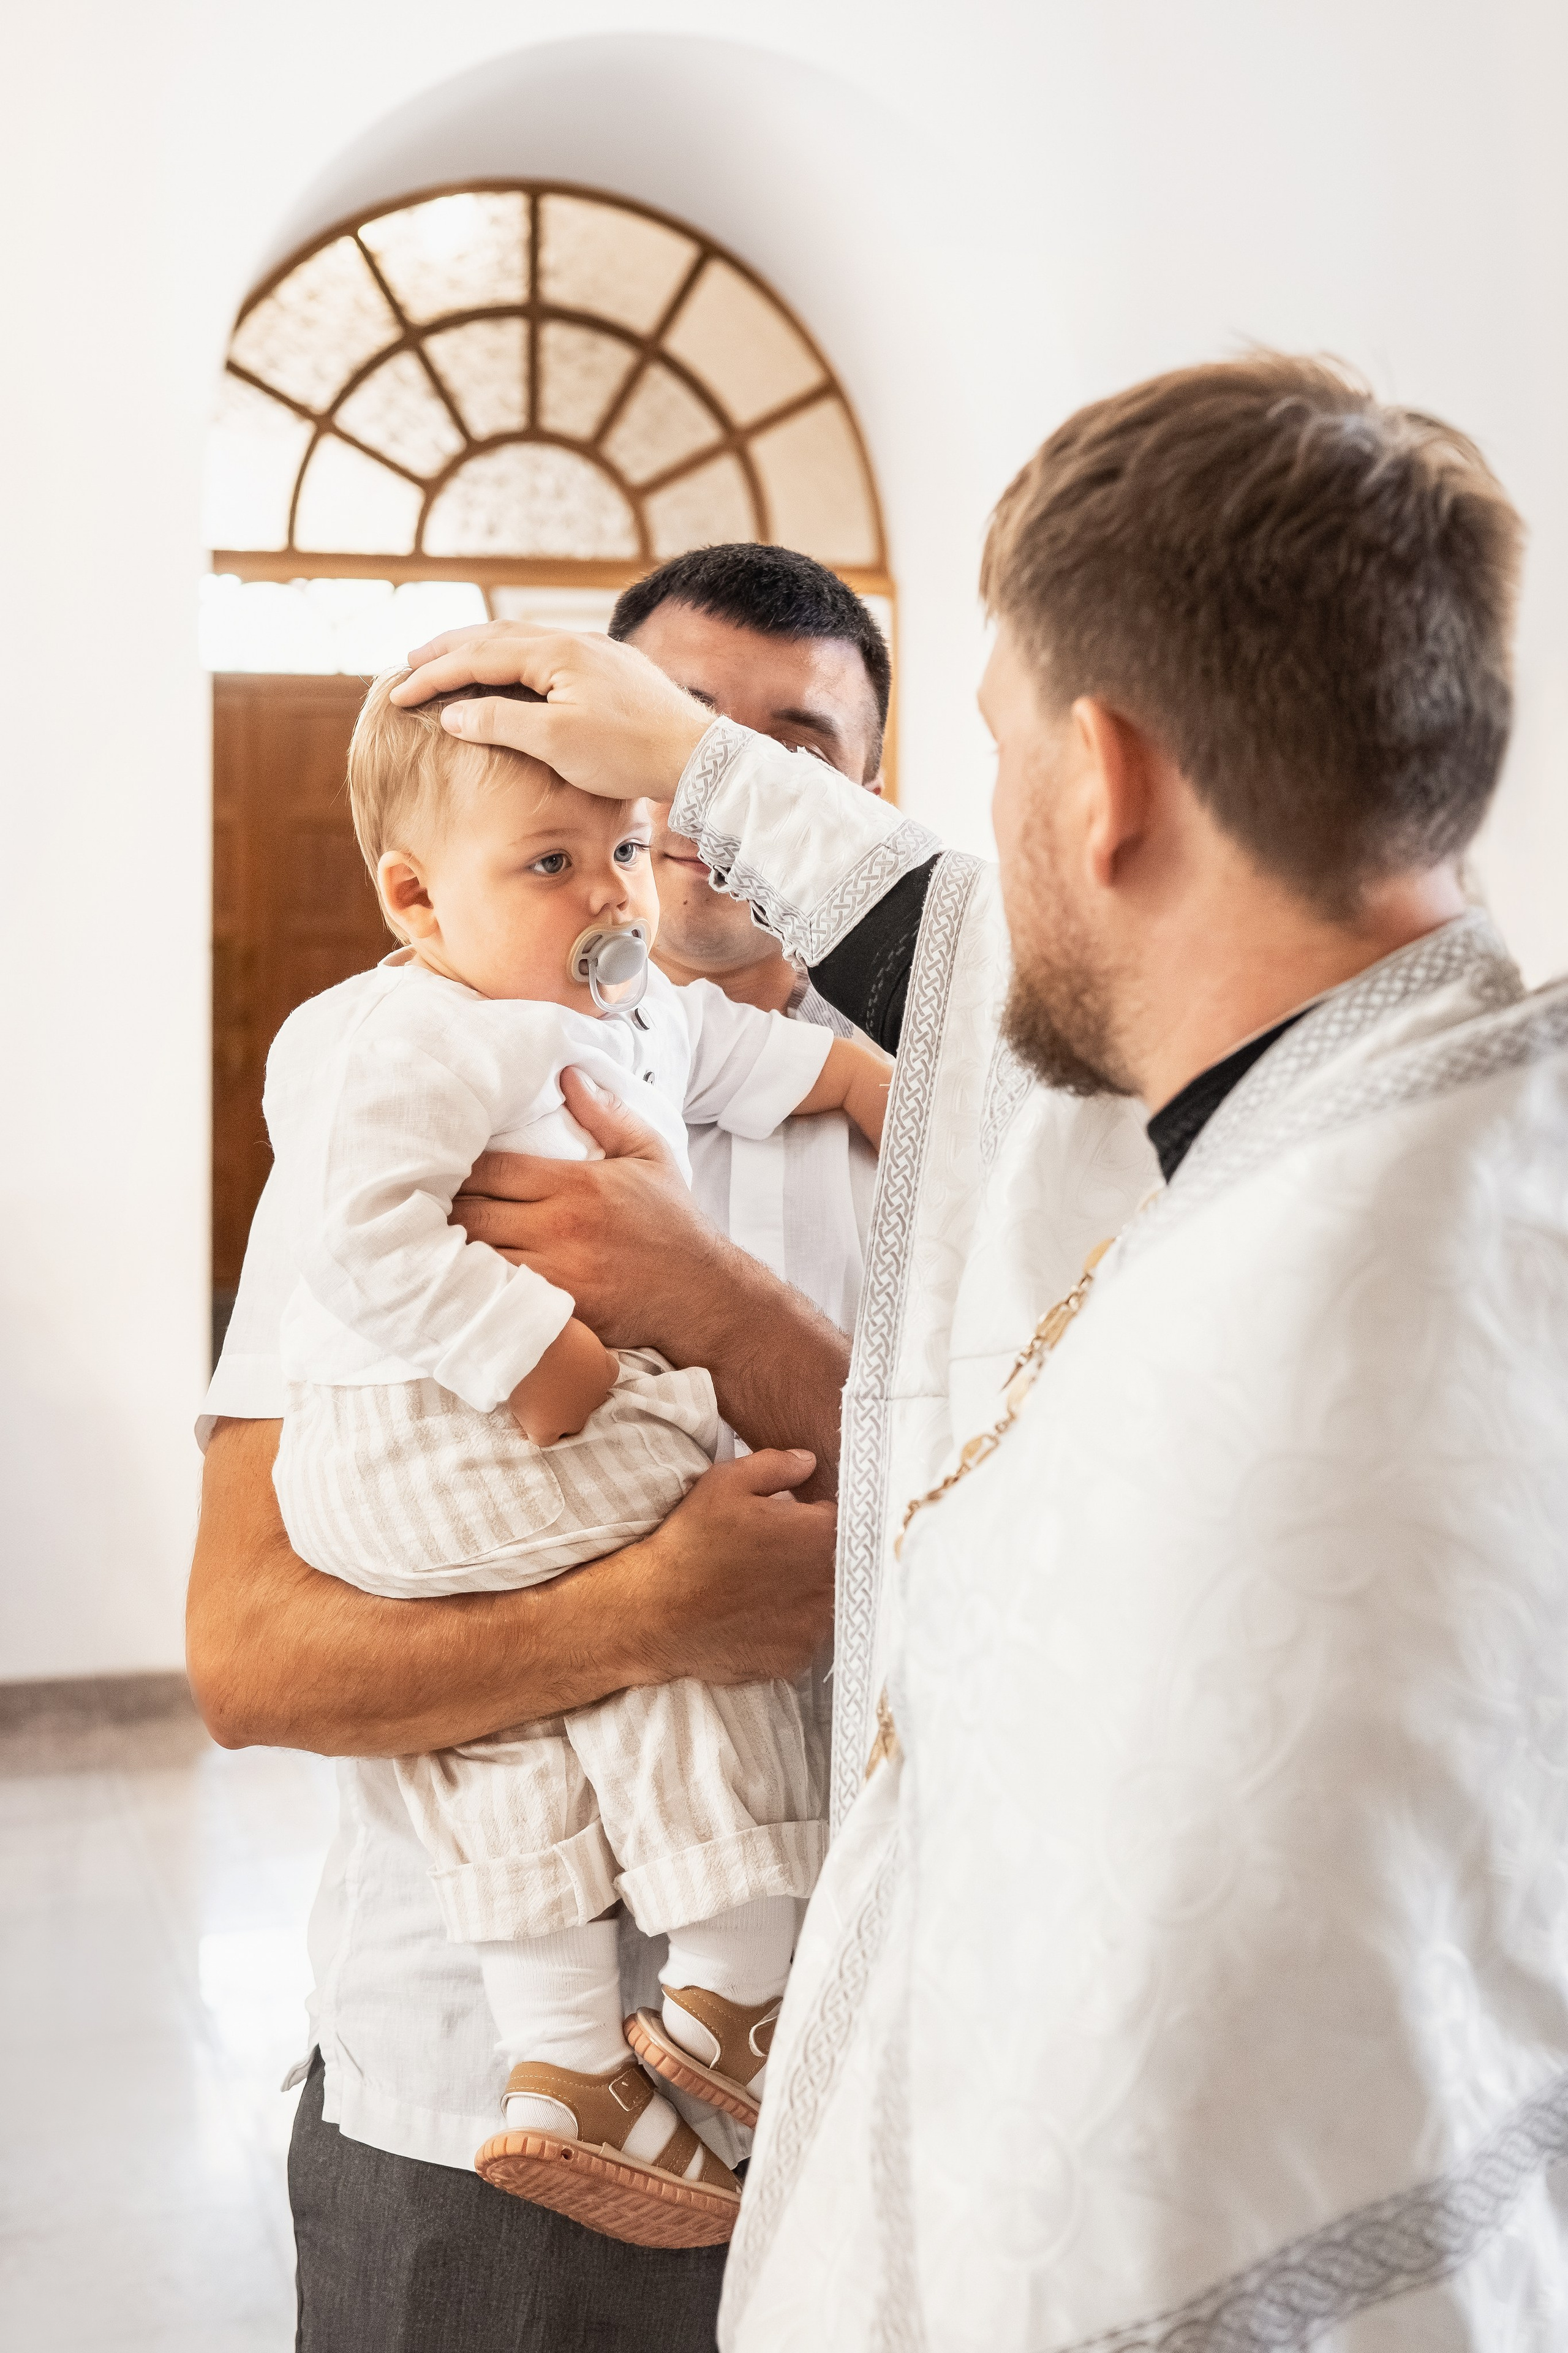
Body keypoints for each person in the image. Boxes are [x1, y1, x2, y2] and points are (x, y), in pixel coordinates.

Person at [397, 354, 1568, 2345]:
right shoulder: (1426, 1156)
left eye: (994, 745)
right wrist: (701, 768)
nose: (974, 827)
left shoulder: (1301, 1285)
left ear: (1098, 778)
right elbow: (975, 974)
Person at [186, 544, 896, 2349]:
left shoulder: (947, 1123)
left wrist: (720, 1301)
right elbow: (250, 1655)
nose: (702, 807)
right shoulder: (415, 1075)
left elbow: (1034, 1564)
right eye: (672, 731)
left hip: (874, 2105)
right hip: (460, 2122)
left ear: (864, 803)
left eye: (787, 752)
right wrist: (655, 1607)